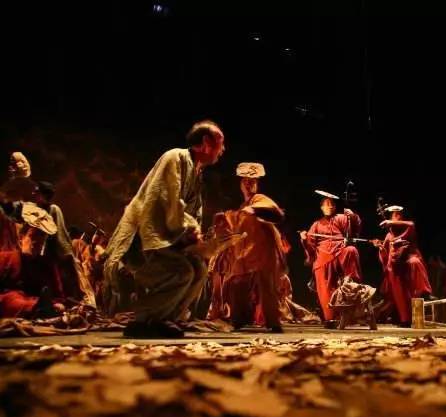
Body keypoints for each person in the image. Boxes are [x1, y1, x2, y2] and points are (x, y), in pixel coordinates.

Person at [103, 120, 225, 338]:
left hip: (171, 237)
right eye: (220, 143)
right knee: (182, 271)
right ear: (206, 142)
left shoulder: (196, 173)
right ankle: (144, 319)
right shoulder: (174, 157)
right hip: (145, 240)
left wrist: (202, 238)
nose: (222, 149)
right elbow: (167, 200)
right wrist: (190, 229)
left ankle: (167, 319)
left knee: (199, 270)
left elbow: (191, 213)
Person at [208, 162, 286, 332]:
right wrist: (224, 219)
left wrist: (256, 210)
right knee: (237, 283)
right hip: (245, 253)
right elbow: (234, 226)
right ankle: (239, 319)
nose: (248, 184)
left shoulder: (259, 199)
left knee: (267, 286)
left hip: (263, 252)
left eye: (252, 181)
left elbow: (276, 213)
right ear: (241, 184)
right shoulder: (242, 207)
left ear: (257, 184)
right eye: (245, 181)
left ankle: (273, 323)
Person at [300, 191, 362, 328]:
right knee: (323, 283)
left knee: (351, 250)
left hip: (340, 251)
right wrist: (304, 240)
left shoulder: (341, 218)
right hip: (322, 256)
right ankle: (330, 318)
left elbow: (355, 227)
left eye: (332, 204)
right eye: (326, 204)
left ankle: (351, 280)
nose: (330, 206)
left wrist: (353, 216)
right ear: (321, 207)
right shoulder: (316, 224)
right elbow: (310, 245)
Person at [373, 205, 433, 327]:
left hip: (408, 263)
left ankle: (424, 293)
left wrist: (390, 222)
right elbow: (385, 254)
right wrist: (380, 247)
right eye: (395, 215)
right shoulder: (389, 235)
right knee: (399, 293)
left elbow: (411, 224)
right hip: (395, 267)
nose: (398, 217)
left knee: (415, 263)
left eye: (399, 214)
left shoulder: (408, 229)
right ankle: (404, 319)